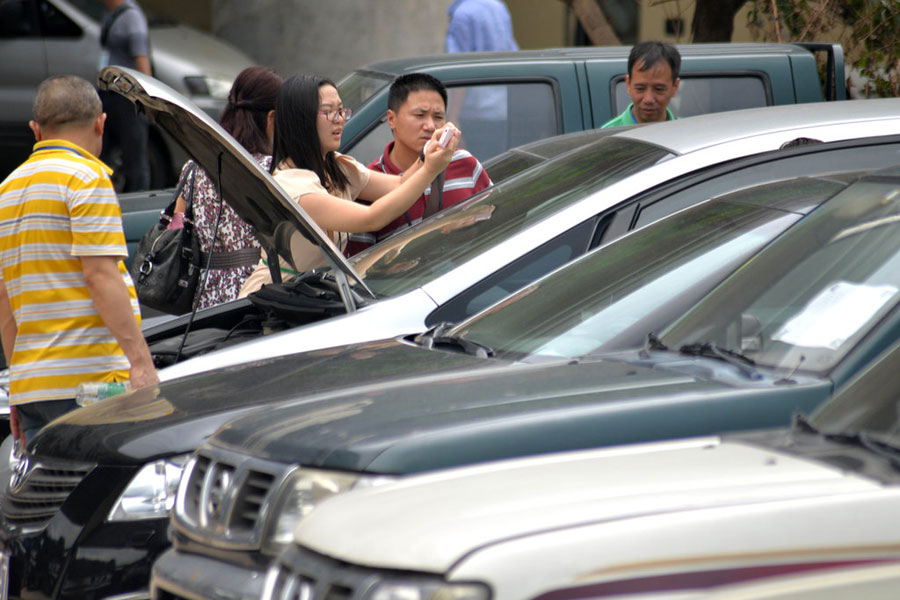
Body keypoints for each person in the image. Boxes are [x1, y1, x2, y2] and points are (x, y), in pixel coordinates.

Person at [0, 75, 158, 445]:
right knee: (102, 497)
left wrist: (19, 390)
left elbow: (5, 299)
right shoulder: (86, 179)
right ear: (101, 123)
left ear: (35, 130)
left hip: (34, 390)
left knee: (52, 500)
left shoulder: (6, 191)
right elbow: (101, 277)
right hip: (93, 385)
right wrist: (140, 362)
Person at [238, 74, 460, 295]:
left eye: (341, 110)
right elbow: (372, 218)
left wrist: (428, 154)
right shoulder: (294, 186)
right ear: (300, 119)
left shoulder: (334, 166)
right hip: (276, 300)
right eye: (329, 111)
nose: (339, 119)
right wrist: (431, 169)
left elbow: (399, 183)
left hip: (311, 294)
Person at [173, 65, 283, 309]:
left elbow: (177, 227)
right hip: (255, 292)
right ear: (271, 118)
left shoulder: (193, 167)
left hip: (203, 296)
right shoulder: (271, 171)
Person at [348, 73, 492, 255]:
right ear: (391, 119)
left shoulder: (465, 163)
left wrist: (468, 227)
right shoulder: (369, 184)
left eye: (438, 117)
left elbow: (496, 228)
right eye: (419, 115)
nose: (430, 126)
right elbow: (358, 264)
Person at [445, 0, 518, 159]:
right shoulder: (499, 7)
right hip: (500, 109)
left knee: (474, 173)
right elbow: (512, 55)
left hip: (474, 113)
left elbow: (459, 69)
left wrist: (452, 117)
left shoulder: (462, 15)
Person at [98, 0, 152, 192]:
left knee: (134, 157)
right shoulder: (111, 14)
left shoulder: (131, 17)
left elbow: (142, 60)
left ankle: (138, 203)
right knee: (101, 152)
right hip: (109, 94)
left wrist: (145, 98)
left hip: (127, 97)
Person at [602, 41, 681, 128]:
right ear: (628, 84)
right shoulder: (608, 136)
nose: (648, 99)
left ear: (675, 87)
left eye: (659, 89)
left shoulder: (687, 134)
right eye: (640, 89)